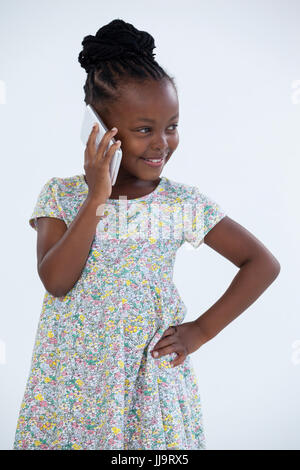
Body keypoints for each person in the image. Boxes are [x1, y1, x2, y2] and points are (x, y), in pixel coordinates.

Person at [13, 19, 280, 451]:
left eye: (171, 126)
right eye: (143, 130)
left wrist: (201, 330)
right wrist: (97, 194)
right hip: (71, 384)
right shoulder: (61, 197)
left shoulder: (181, 203)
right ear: (98, 127)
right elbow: (56, 281)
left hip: (147, 382)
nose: (162, 144)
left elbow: (262, 264)